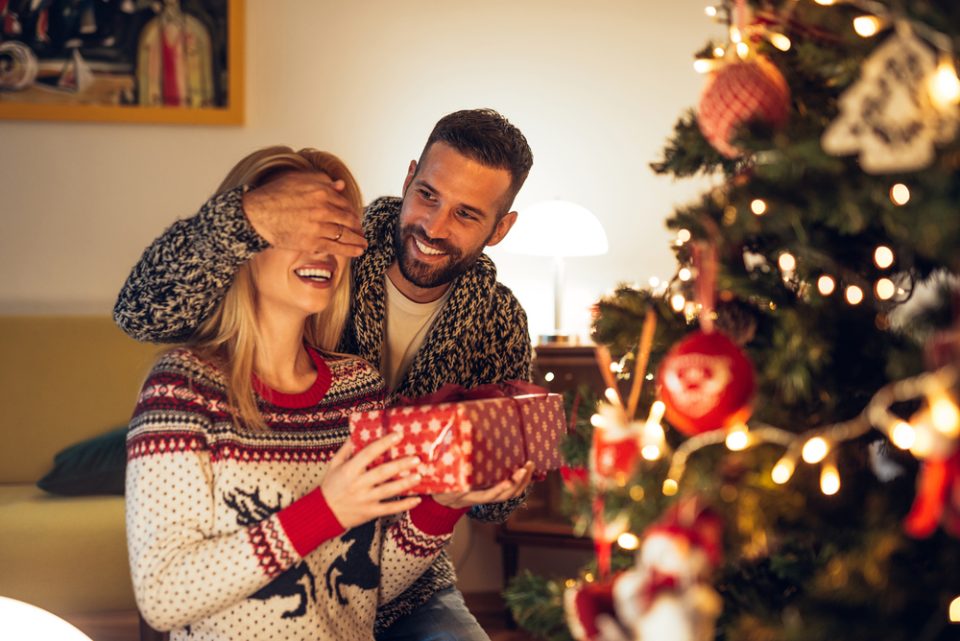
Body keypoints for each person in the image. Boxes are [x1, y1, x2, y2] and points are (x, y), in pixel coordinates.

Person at [115, 109, 537, 640]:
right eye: (428, 195)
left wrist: (466, 490)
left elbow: (376, 565)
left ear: (500, 229)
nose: (434, 226)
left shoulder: (489, 324)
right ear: (408, 179)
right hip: (254, 561)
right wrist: (244, 218)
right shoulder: (339, 240)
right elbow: (142, 311)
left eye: (467, 214)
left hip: (392, 573)